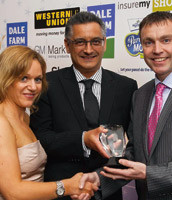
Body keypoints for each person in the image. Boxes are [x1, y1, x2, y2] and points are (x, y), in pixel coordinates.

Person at [80, 11, 172, 200]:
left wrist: (149, 174)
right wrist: (98, 179)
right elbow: (134, 154)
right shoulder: (140, 95)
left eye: (166, 40)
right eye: (148, 42)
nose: (157, 49)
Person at [29, 12, 137, 200]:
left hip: (108, 192)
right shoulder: (47, 85)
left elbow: (131, 146)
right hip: (61, 193)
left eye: (95, 41)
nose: (88, 49)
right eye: (80, 42)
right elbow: (42, 139)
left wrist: (101, 180)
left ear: (104, 43)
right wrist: (83, 139)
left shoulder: (126, 87)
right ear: (67, 45)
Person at [0, 45, 97, 200]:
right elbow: (13, 192)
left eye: (37, 79)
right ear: (5, 78)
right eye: (24, 78)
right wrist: (67, 186)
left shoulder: (24, 117)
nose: (33, 87)